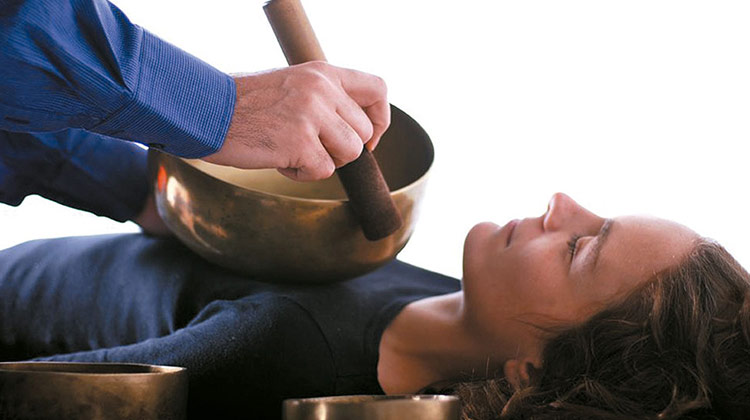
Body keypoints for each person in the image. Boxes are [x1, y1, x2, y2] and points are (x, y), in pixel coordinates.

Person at [1, 192, 749, 419]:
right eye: (596, 215)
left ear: (531, 372)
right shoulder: (450, 298)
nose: (562, 204)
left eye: (579, 248)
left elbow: (41, 394)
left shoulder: (289, 351)